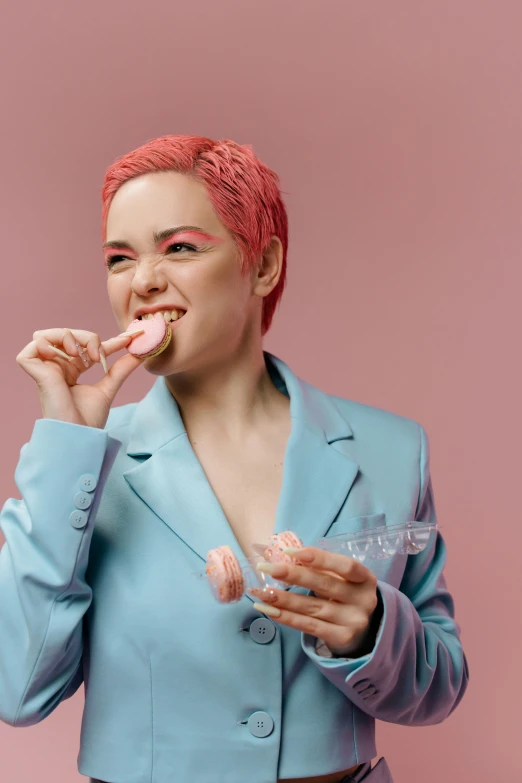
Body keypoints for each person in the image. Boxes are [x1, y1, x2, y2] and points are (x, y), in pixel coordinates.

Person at [0, 135, 469, 783]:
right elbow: (16, 691)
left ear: (264, 264)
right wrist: (66, 444)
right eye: (118, 258)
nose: (143, 282)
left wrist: (372, 629)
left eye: (180, 248)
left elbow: (440, 684)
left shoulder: (391, 448)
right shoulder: (83, 468)